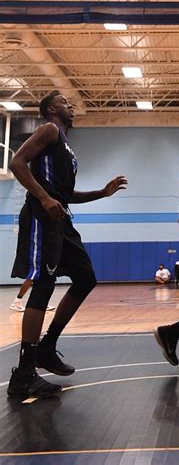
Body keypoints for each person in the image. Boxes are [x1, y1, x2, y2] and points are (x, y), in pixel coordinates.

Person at [7, 90, 127, 400]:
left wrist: (101, 193)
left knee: (86, 277)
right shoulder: (48, 130)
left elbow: (64, 193)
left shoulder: (65, 145)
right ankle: (24, 375)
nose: (69, 104)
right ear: (49, 109)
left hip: (60, 216)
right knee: (44, 285)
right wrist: (45, 198)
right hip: (41, 214)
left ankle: (47, 347)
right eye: (62, 101)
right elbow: (17, 163)